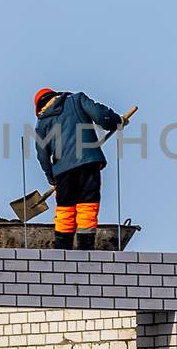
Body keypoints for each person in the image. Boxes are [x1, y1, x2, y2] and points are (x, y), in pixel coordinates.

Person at [32, 88, 122, 250]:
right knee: (88, 205)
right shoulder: (77, 100)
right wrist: (115, 121)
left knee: (65, 209)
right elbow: (102, 116)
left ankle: (62, 250)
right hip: (89, 163)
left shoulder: (42, 123)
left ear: (39, 108)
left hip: (62, 172)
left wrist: (51, 178)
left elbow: (42, 155)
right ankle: (85, 249)